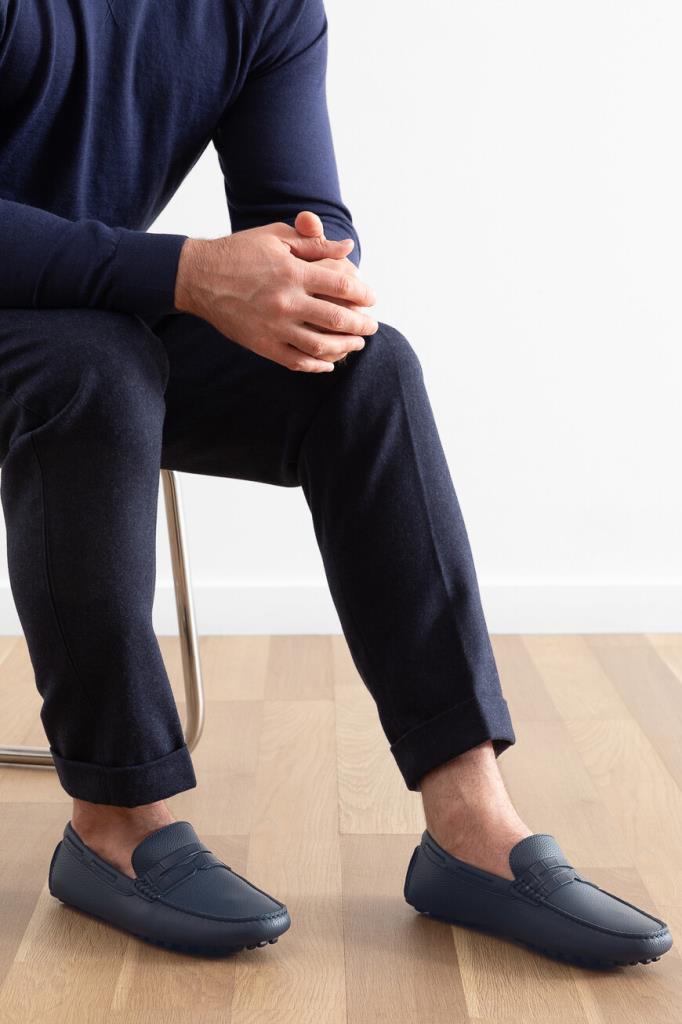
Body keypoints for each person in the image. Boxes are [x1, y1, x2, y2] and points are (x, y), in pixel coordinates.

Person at [0, 0, 672, 968]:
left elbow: (305, 217)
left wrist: (316, 278)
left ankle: (471, 822)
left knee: (363, 368)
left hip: (87, 309)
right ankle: (114, 818)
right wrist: (188, 272)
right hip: (71, 343)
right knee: (95, 370)